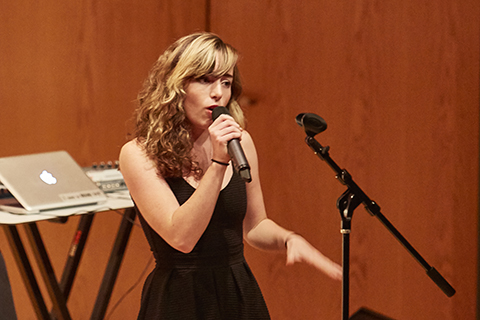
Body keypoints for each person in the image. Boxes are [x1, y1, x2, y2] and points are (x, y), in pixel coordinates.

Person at [119, 32, 342, 320]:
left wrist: (288, 239)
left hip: (236, 291)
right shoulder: (139, 154)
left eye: (225, 82)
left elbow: (255, 226)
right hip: (179, 298)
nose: (218, 93)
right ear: (176, 86)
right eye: (204, 80)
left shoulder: (241, 142)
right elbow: (182, 238)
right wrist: (218, 163)